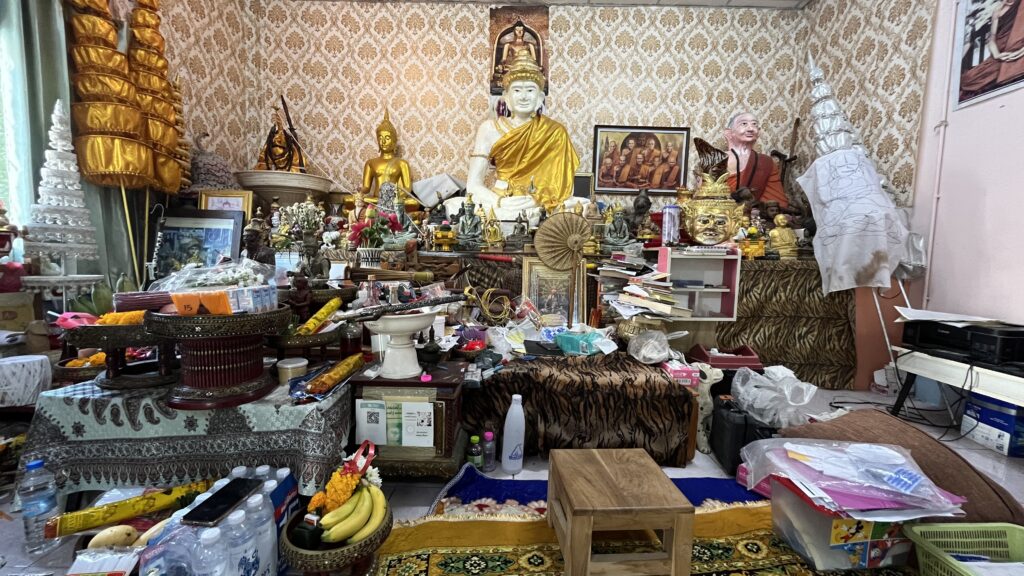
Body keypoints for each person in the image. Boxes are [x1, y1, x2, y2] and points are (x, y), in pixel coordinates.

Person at [466, 50, 579, 222]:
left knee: (580, 206)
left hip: (538, 201)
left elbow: (563, 189)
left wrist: (540, 200)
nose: (524, 97)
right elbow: (473, 186)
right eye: (517, 90)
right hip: (503, 200)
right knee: (457, 206)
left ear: (540, 97)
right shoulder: (489, 129)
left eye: (530, 90)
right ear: (506, 97)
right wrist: (500, 202)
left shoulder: (555, 132)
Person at [960, 0, 1024, 101]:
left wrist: (1019, 52)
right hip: (1000, 53)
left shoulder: (1022, 5)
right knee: (968, 79)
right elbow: (992, 39)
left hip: (1018, 49)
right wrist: (997, 55)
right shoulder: (998, 11)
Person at [724, 112, 787, 208]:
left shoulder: (766, 162)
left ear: (759, 132)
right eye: (744, 124)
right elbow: (705, 197)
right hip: (723, 215)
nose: (750, 129)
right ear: (729, 133)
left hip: (757, 217)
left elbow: (777, 202)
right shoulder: (718, 159)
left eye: (754, 124)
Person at [360, 109, 412, 201]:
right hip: (376, 200)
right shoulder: (370, 163)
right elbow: (366, 187)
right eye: (380, 138)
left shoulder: (402, 163)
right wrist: (360, 191)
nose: (383, 141)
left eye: (387, 138)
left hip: (393, 200)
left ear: (394, 141)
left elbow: (407, 188)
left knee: (412, 202)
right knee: (350, 200)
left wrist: (396, 197)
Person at [255, 104, 306, 173]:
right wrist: (279, 128)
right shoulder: (270, 146)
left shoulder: (290, 146)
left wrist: (281, 128)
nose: (278, 140)